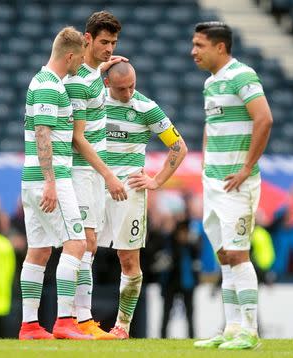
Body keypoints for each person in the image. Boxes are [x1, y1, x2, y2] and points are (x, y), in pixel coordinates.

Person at [191, 22, 273, 350]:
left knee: (239, 254)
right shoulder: (211, 83)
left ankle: (250, 331)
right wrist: (205, 169)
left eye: (199, 45)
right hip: (213, 182)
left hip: (237, 184)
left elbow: (264, 118)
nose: (193, 51)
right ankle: (231, 328)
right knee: (224, 255)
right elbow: (211, 128)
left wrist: (246, 168)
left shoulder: (242, 75)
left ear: (220, 47)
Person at [98, 61, 188, 338]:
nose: (128, 93)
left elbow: (178, 146)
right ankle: (78, 321)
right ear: (106, 84)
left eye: (132, 86)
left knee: (128, 259)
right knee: (82, 252)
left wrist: (157, 181)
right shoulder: (93, 101)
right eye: (122, 89)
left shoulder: (146, 107)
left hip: (130, 191)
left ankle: (122, 326)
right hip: (94, 186)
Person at [18, 26, 92, 340]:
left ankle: (30, 325)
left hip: (31, 179)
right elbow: (42, 135)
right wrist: (51, 181)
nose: (81, 64)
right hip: (51, 180)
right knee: (77, 243)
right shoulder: (50, 87)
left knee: (38, 251)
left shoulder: (41, 81)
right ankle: (65, 320)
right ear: (71, 55)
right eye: (81, 59)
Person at [64, 11, 127, 340]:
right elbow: (78, 138)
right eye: (104, 42)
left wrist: (103, 65)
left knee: (89, 244)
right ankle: (80, 318)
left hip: (93, 173)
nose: (109, 48)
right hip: (82, 172)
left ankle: (79, 318)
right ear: (87, 39)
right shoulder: (77, 82)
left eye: (113, 42)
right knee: (84, 243)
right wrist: (109, 175)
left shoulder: (93, 74)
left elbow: (94, 71)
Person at [160, 220, 201, 338]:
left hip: (188, 284)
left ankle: (192, 337)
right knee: (166, 313)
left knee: (190, 314)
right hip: (171, 284)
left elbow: (197, 262)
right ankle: (163, 337)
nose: (183, 236)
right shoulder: (170, 244)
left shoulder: (192, 246)